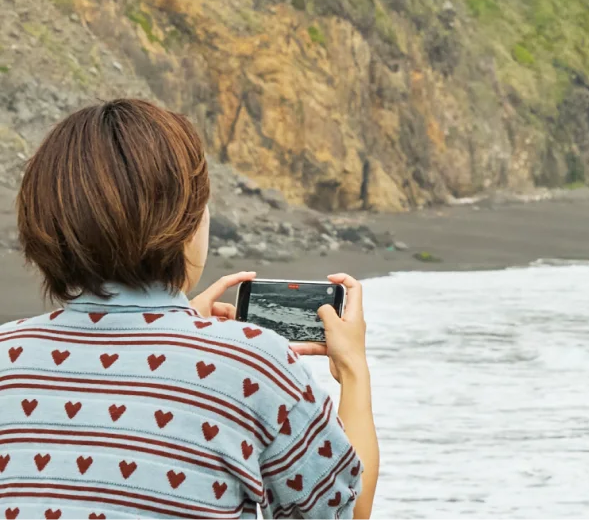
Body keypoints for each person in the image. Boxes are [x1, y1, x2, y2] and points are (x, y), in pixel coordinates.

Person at [1, 99, 379, 519]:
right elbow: (344, 510)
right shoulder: (252, 362)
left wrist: (181, 336)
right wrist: (353, 370)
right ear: (186, 222)